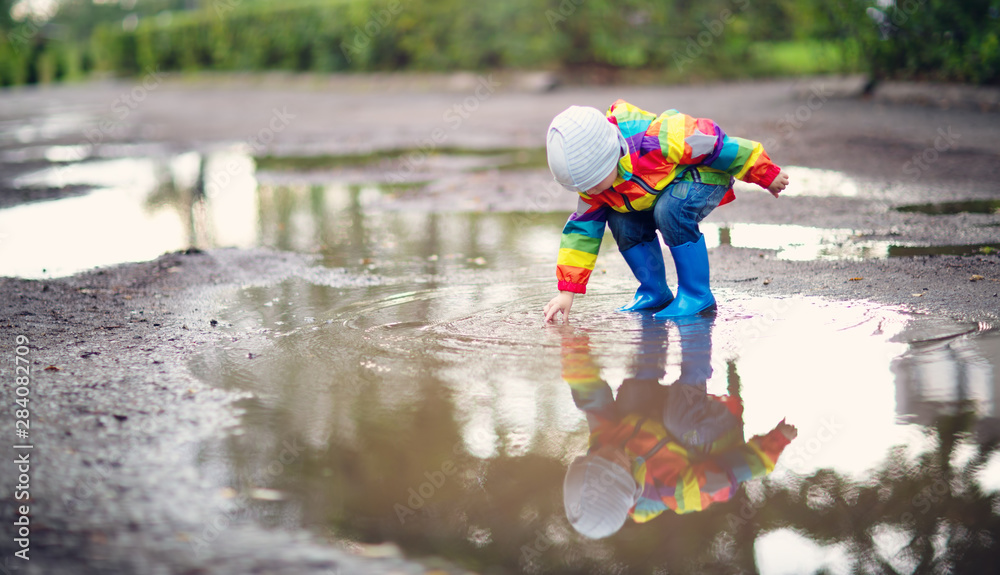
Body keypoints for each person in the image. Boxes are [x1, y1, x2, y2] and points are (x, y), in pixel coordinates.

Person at [543, 100, 789, 323]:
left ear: (612, 153)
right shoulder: (594, 188)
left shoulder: (658, 138)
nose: (590, 190)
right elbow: (581, 234)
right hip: (656, 192)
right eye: (583, 187)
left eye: (594, 181)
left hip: (701, 177)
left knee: (671, 209)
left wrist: (764, 173)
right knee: (619, 217)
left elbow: (715, 144)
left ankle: (696, 295)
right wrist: (567, 293)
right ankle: (655, 291)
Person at [560, 315, 797, 539]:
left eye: (600, 458)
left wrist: (575, 356)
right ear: (631, 486)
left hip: (664, 419)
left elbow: (593, 400)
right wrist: (774, 444)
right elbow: (730, 474)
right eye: (616, 466)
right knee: (682, 424)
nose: (611, 454)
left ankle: (653, 328)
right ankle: (696, 336)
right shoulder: (671, 491)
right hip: (711, 434)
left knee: (631, 398)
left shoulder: (603, 442)